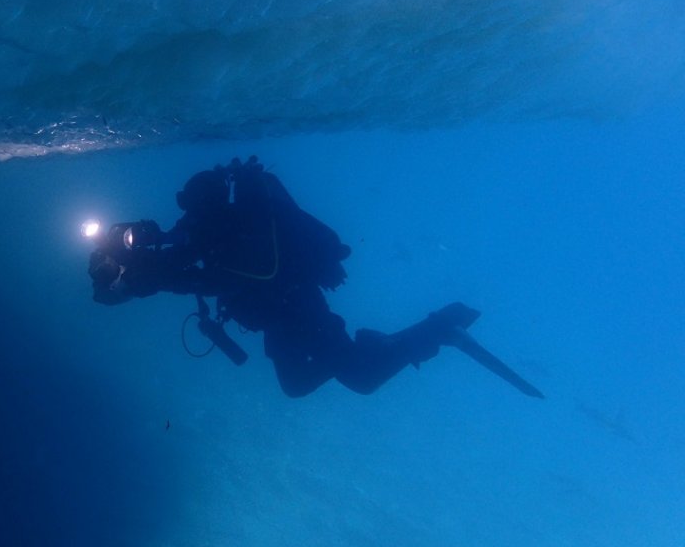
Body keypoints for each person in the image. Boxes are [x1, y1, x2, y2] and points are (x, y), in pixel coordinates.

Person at [87, 157, 503, 398]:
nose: (189, 212)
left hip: (297, 308)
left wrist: (153, 279)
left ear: (210, 201)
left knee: (361, 379)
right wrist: (123, 264)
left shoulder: (237, 235)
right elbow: (176, 259)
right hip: (278, 315)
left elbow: (215, 279)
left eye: (193, 204)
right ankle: (377, 344)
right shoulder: (206, 231)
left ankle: (440, 328)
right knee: (296, 384)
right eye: (187, 205)